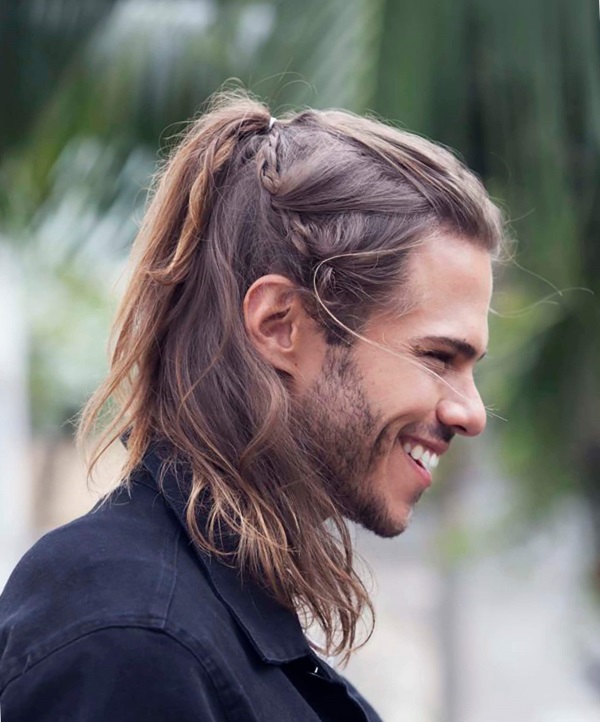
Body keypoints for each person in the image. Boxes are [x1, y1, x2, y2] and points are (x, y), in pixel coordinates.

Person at [0, 91, 505, 721]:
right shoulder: (133, 639)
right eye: (437, 357)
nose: (472, 413)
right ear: (279, 324)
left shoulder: (203, 626)